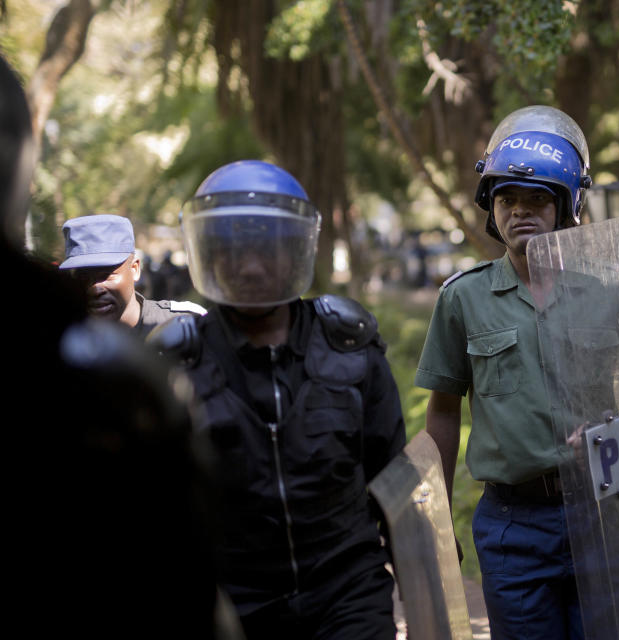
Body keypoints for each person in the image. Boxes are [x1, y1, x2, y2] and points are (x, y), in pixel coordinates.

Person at [1, 54, 229, 638]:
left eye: (106, 271)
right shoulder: (49, 345)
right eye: (81, 274)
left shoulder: (188, 330)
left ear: (134, 266)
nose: (95, 284)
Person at [149, 159, 406, 640]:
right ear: (212, 254)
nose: (250, 267)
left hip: (347, 589)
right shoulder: (176, 365)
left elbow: (395, 477)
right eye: (235, 251)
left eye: (266, 251)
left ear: (293, 254)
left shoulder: (349, 350)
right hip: (237, 600)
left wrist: (423, 581)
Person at [415, 105, 596, 639]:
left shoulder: (608, 292)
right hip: (513, 524)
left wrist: (618, 427)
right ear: (491, 211)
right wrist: (439, 516)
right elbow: (443, 409)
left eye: (539, 198)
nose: (521, 210)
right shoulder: (463, 298)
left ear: (565, 208)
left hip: (603, 513)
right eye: (507, 199)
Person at [58, 213, 206, 335]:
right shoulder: (60, 339)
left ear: (135, 269)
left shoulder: (187, 322)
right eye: (82, 277)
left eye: (106, 275)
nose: (94, 289)